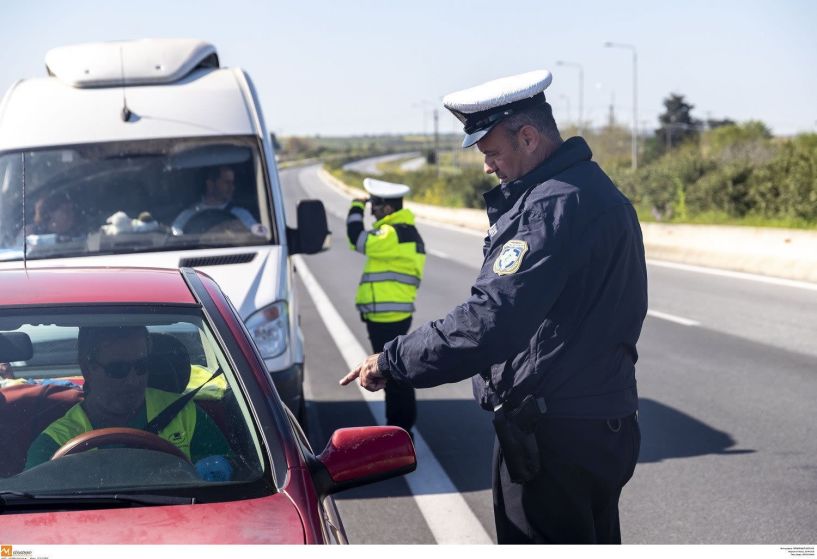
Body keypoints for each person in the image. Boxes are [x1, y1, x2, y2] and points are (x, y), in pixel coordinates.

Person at [340, 69, 648, 544]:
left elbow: (488, 322)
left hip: (554, 437)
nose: (487, 166)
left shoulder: (549, 208)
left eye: (492, 152)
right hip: (605, 423)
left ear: (528, 137)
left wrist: (393, 360)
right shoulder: (596, 191)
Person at [25, 325, 233, 481]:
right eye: (118, 369)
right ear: (87, 369)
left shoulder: (185, 413)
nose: (133, 380)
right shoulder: (54, 443)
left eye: (141, 366)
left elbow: (234, 480)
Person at [346, 178, 426, 436]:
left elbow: (355, 239)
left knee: (393, 374)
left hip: (388, 315)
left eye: (375, 205)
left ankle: (400, 431)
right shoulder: (401, 231)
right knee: (393, 372)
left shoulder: (393, 234)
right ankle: (400, 429)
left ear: (388, 209)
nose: (372, 211)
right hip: (391, 313)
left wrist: (355, 207)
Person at [172, 165, 257, 234]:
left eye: (232, 183)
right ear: (210, 185)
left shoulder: (242, 215)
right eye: (227, 183)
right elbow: (175, 238)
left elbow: (256, 237)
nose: (232, 188)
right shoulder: (187, 216)